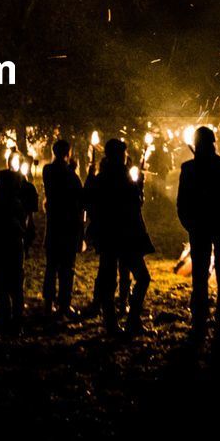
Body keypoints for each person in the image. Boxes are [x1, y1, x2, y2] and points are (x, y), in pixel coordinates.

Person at [85, 139, 154, 336]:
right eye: (124, 154)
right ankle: (131, 320)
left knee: (108, 279)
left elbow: (90, 203)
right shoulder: (123, 180)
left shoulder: (101, 179)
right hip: (126, 235)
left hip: (107, 235)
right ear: (119, 156)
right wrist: (139, 186)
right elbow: (134, 204)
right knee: (142, 277)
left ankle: (112, 324)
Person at [176, 126, 220, 338]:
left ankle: (201, 319)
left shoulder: (190, 168)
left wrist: (190, 224)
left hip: (203, 227)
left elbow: (182, 203)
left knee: (201, 276)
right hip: (217, 227)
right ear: (214, 143)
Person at [0, 163, 38, 332]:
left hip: (4, 247)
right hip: (6, 247)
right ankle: (11, 316)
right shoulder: (9, 203)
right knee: (11, 284)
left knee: (6, 283)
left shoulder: (8, 203)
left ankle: (11, 316)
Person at [41, 140, 85, 318]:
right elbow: (79, 201)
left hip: (53, 223)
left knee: (51, 266)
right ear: (68, 153)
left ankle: (48, 302)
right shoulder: (71, 176)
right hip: (67, 225)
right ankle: (64, 304)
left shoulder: (48, 170)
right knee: (67, 268)